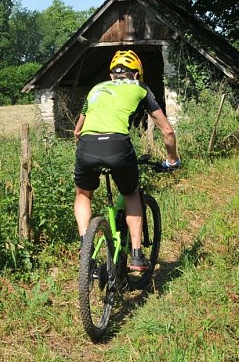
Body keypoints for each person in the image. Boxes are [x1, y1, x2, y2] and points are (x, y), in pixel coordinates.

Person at [73, 50, 180, 270]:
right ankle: (137, 255)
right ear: (136, 74)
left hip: (86, 147)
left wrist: (87, 152)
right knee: (131, 193)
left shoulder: (96, 89)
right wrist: (172, 159)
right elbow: (167, 131)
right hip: (117, 147)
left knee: (83, 195)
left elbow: (77, 131)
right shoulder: (140, 88)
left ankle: (86, 247)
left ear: (112, 75)